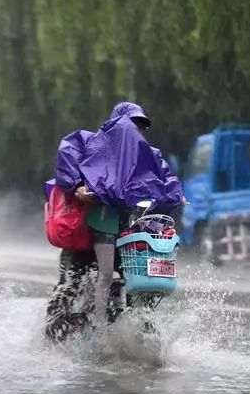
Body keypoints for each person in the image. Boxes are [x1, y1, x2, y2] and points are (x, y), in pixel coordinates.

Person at [48, 101, 183, 332]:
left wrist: (175, 195)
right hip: (85, 234)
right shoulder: (91, 143)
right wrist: (78, 186)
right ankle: (55, 328)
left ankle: (140, 326)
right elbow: (68, 160)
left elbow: (164, 177)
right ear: (117, 125)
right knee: (70, 284)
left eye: (141, 127)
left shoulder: (145, 156)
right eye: (133, 124)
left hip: (123, 234)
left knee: (140, 278)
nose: (136, 131)